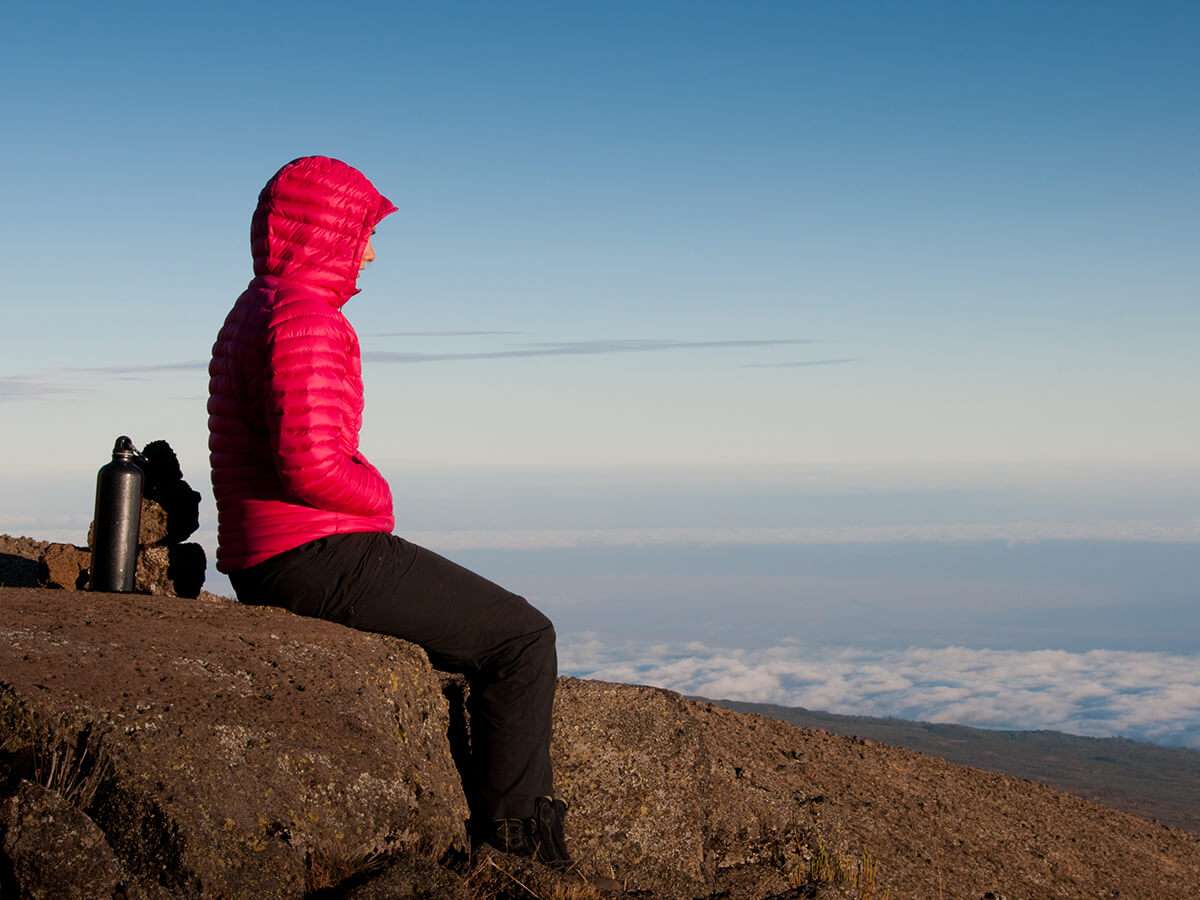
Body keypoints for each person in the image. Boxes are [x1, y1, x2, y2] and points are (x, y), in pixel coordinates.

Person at [207, 155, 571, 868]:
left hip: (267, 553)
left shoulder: (258, 305)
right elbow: (309, 463)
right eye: (363, 232)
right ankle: (521, 850)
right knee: (522, 640)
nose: (371, 251)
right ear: (327, 232)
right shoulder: (306, 317)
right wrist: (378, 495)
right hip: (314, 554)